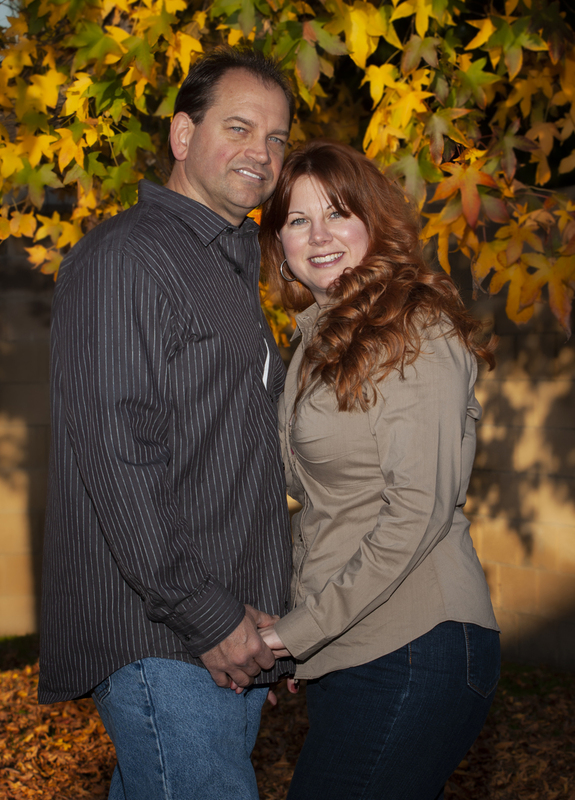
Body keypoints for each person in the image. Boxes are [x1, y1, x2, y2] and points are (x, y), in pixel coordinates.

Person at [39, 46, 295, 800]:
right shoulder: (128, 257)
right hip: (163, 638)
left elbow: (236, 459)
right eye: (239, 127)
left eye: (276, 138)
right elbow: (119, 455)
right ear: (183, 135)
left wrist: (264, 627)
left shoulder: (222, 266)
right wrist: (211, 618)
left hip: (226, 637)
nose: (262, 152)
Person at [258, 139, 501, 800]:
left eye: (337, 213)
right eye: (298, 220)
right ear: (279, 243)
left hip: (413, 643)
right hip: (354, 645)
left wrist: (296, 632)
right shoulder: (317, 340)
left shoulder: (413, 328)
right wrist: (307, 633)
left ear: (374, 222)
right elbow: (323, 507)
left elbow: (416, 510)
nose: (318, 235)